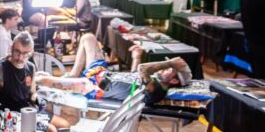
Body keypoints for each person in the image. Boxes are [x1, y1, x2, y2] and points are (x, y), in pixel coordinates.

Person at [36, 32, 193, 103]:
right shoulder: (152, 81)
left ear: (173, 81)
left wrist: (170, 63)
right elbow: (135, 76)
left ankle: (68, 79)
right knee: (88, 37)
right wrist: (136, 57)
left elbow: (142, 70)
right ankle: (73, 74)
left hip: (92, 87)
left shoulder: (157, 90)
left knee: (42, 80)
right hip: (100, 74)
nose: (163, 69)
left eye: (169, 70)